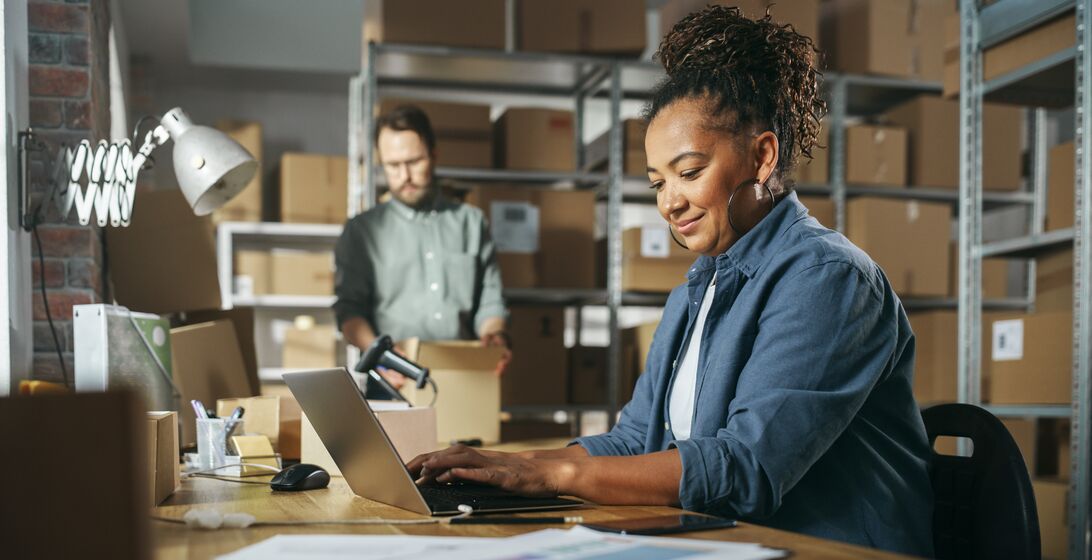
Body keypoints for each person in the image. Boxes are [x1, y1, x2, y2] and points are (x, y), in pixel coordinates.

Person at [406, 6, 934, 555]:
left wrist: (551, 477)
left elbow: (746, 467)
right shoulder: (696, 289)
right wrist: (505, 465)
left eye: (689, 172)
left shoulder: (829, 279)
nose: (669, 202)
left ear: (762, 156)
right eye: (657, 182)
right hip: (734, 542)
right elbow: (636, 440)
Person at [334, 105, 510, 390]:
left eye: (414, 161)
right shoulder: (361, 232)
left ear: (434, 156)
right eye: (393, 165)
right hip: (394, 381)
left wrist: (494, 335)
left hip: (465, 378)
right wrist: (381, 355)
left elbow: (490, 302)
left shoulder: (472, 223)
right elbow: (349, 311)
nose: (404, 175)